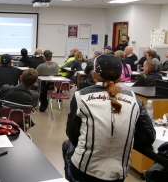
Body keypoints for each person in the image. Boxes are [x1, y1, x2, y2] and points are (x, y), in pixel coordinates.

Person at [65, 54, 155, 182]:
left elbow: (72, 135)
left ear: (94, 74)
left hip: (84, 171)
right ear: (120, 76)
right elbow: (148, 136)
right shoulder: (135, 100)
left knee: (66, 145)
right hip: (118, 174)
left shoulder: (80, 96)